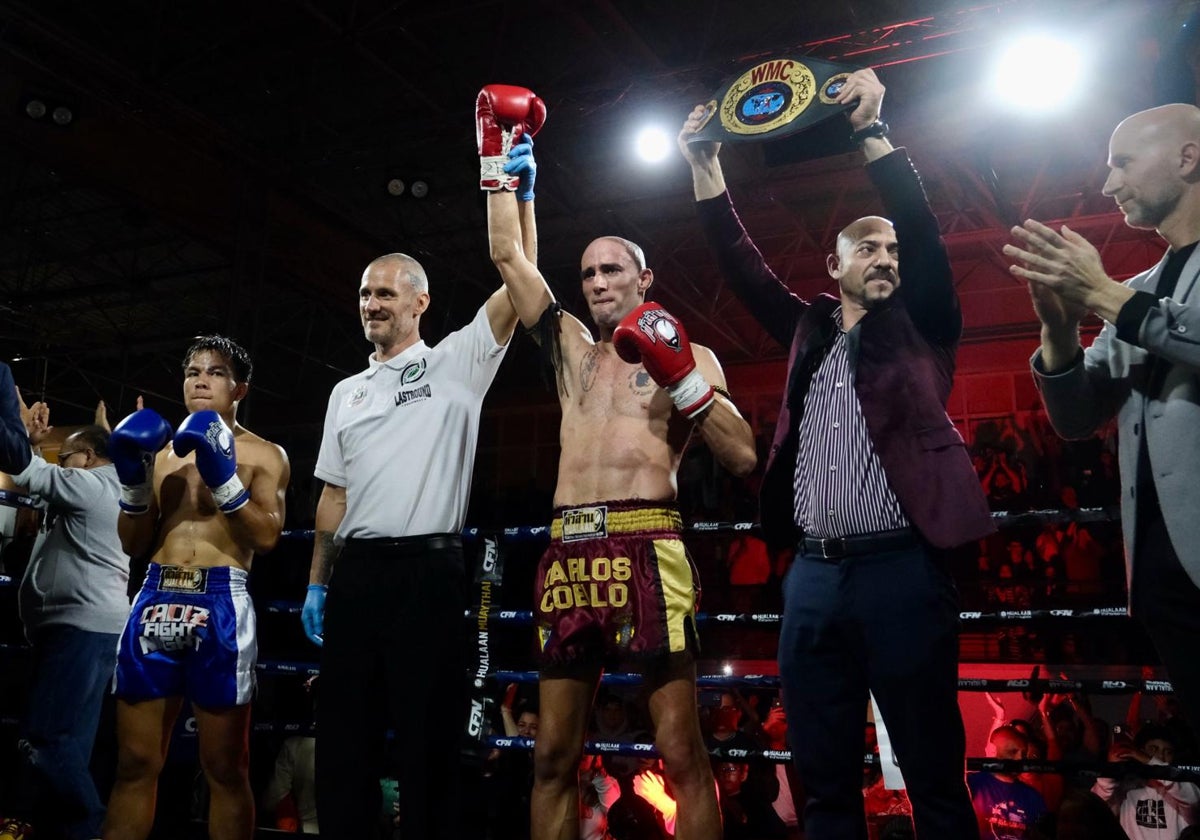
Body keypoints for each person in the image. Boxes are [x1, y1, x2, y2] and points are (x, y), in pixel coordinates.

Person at [679, 68, 994, 839]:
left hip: (902, 571)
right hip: (813, 576)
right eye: (868, 248)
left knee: (932, 774)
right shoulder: (810, 333)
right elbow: (743, 265)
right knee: (822, 778)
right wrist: (704, 165)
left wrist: (872, 131)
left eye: (892, 248)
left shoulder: (926, 324)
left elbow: (920, 230)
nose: (887, 256)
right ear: (835, 266)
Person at [484, 83, 757, 840]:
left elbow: (741, 455)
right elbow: (508, 253)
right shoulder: (569, 350)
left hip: (649, 542)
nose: (599, 284)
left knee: (679, 750)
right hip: (570, 549)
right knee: (551, 755)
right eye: (588, 276)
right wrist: (498, 166)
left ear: (645, 281)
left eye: (613, 272)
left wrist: (683, 376)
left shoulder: (691, 352)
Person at [301, 143, 526, 836]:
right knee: (344, 743)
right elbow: (332, 500)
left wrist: (511, 188)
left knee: (429, 741)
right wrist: (317, 583)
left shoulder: (458, 362)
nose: (371, 303)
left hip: (430, 573)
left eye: (385, 292)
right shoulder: (346, 391)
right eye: (366, 293)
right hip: (358, 576)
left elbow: (521, 282)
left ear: (419, 301)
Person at [1006, 103, 1200, 740]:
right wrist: (1059, 332)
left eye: (1122, 163)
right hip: (1164, 573)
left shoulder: (1125, 294)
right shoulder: (1142, 284)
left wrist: (1100, 294)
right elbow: (1077, 418)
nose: (1107, 183)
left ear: (1188, 158)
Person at [103, 335, 290, 840]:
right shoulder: (161, 453)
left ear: (240, 388)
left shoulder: (265, 454)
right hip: (155, 597)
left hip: (220, 601)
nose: (200, 379)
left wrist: (225, 479)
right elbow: (134, 542)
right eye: (191, 372)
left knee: (225, 769)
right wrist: (134, 485)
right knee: (134, 764)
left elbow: (269, 535)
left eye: (214, 372)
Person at [0, 379, 128, 840]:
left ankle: (88, 824)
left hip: (78, 627)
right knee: (70, 742)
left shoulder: (92, 486)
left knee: (46, 739)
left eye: (67, 457)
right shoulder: (117, 486)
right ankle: (70, 830)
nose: (62, 463)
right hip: (91, 627)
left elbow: (29, 474)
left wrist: (17, 431)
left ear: (90, 458)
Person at [1093, 722, 1199, 838]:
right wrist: (1111, 770)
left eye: (1167, 752)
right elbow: (1095, 804)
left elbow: (1192, 799)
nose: (1160, 756)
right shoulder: (1126, 787)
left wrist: (1152, 762)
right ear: (1140, 751)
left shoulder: (1181, 787)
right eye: (1153, 749)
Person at [966, 726, 1048, 840]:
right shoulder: (972, 783)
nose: (1020, 758)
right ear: (995, 751)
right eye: (1013, 752)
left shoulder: (1033, 797)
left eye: (1023, 754)